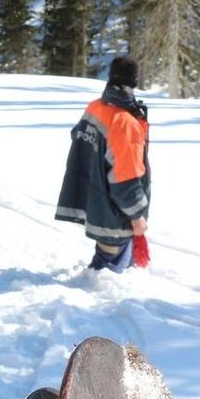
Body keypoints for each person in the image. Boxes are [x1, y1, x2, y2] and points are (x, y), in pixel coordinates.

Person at [55, 56, 151, 273]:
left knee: (104, 267)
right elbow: (124, 178)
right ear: (134, 82)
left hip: (97, 202)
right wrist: (136, 216)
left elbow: (78, 136)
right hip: (116, 213)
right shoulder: (125, 123)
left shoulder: (96, 107)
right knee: (107, 277)